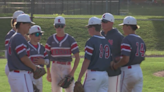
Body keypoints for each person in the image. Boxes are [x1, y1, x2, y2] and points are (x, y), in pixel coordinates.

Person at [77, 17, 113, 92]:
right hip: (105, 76)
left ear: (93, 28)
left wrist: (79, 77)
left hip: (93, 75)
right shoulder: (106, 42)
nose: (88, 30)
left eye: (89, 27)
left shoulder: (91, 41)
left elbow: (87, 60)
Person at [45, 16, 80, 92]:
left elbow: (77, 57)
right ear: (54, 26)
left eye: (61, 26)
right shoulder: (50, 39)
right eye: (57, 26)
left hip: (66, 67)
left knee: (70, 90)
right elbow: (47, 57)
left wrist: (72, 72)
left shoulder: (70, 39)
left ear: (64, 26)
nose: (59, 28)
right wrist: (48, 72)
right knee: (55, 90)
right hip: (54, 67)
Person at [111, 16, 146, 92]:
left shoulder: (126, 39)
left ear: (129, 27)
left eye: (124, 26)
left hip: (128, 72)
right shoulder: (141, 40)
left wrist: (116, 65)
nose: (122, 28)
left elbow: (126, 59)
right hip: (138, 71)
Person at [7, 14, 36, 92]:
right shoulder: (19, 37)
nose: (30, 27)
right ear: (21, 24)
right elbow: (23, 58)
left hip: (16, 75)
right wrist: (35, 67)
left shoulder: (14, 37)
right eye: (28, 24)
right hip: (21, 75)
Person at [101, 13, 124, 92]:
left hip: (113, 72)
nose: (102, 23)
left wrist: (117, 60)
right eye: (102, 21)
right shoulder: (100, 35)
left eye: (105, 21)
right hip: (100, 71)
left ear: (111, 23)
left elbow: (125, 54)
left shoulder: (118, 36)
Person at [28, 25, 49, 92]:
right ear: (30, 35)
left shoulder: (42, 47)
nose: (39, 36)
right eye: (37, 34)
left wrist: (43, 61)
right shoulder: (26, 46)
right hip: (29, 75)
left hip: (39, 76)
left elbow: (48, 60)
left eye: (40, 34)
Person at [4, 10, 24, 76]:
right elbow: (10, 54)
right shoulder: (10, 35)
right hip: (14, 67)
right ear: (15, 21)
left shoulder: (22, 34)